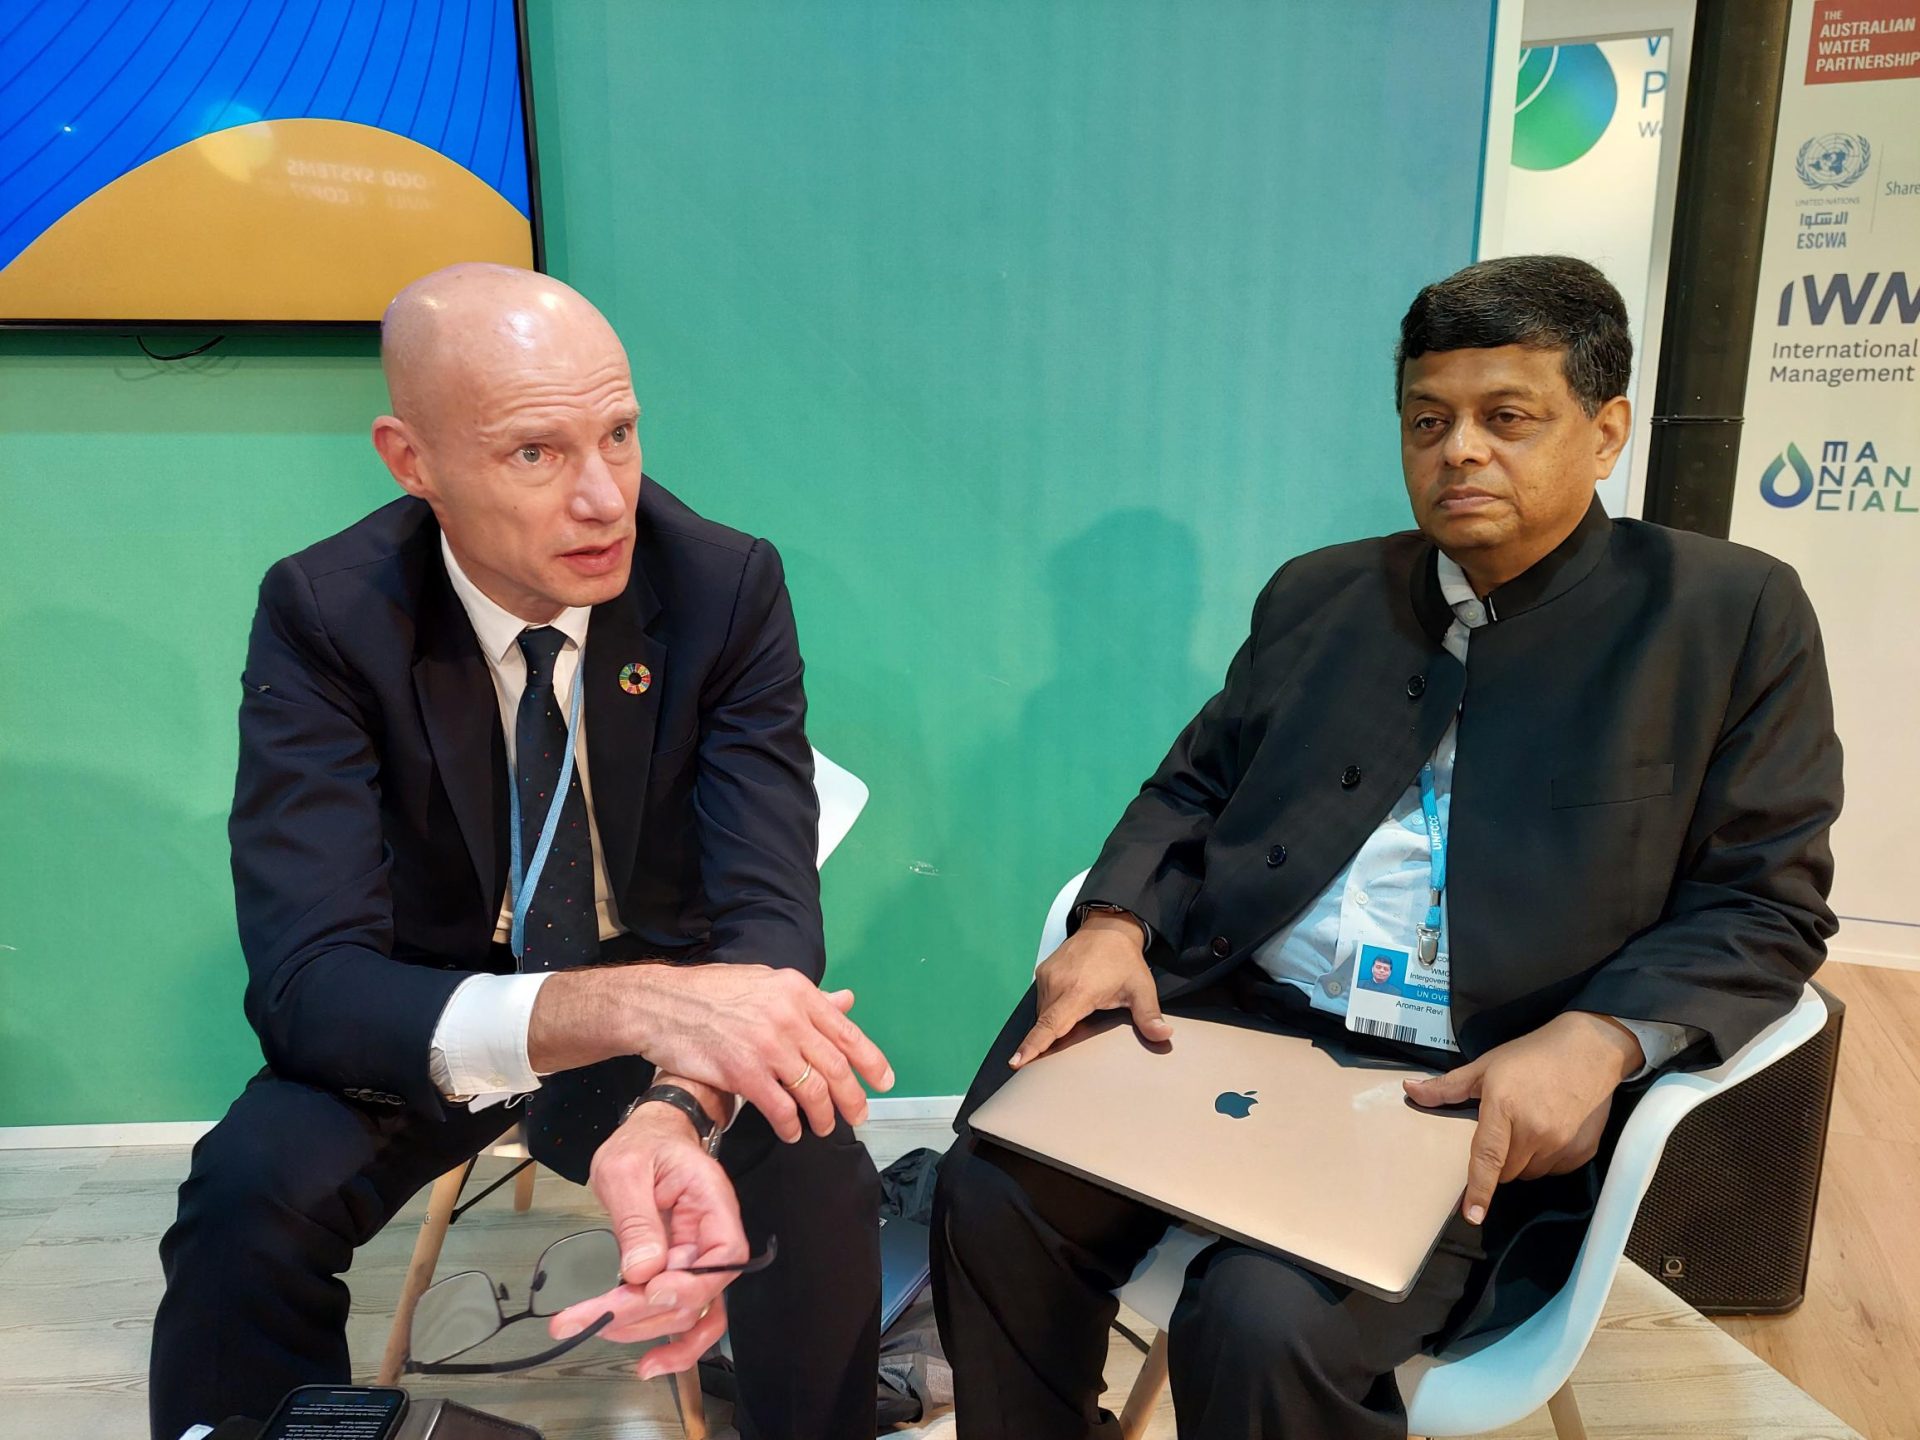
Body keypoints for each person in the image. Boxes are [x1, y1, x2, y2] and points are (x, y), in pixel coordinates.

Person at [932, 255, 1842, 1439]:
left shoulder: (1729, 617)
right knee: (987, 1192)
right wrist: (1115, 922)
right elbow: (1195, 784)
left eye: (1507, 417)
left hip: (1473, 1088)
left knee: (1259, 1322)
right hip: (1233, 1032)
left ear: (1607, 429)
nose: (1459, 449)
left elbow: (1766, 902)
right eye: (1429, 419)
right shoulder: (1323, 595)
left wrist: (1602, 1037)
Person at [150, 264, 893, 1440]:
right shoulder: (328, 613)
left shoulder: (723, 585)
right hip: (434, 1008)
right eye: (535, 454)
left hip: (662, 1029)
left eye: (620, 433)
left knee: (819, 1172)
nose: (606, 499)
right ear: (413, 462)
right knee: (244, 1201)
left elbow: (765, 922)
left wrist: (678, 1107)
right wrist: (637, 1006)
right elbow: (309, 991)